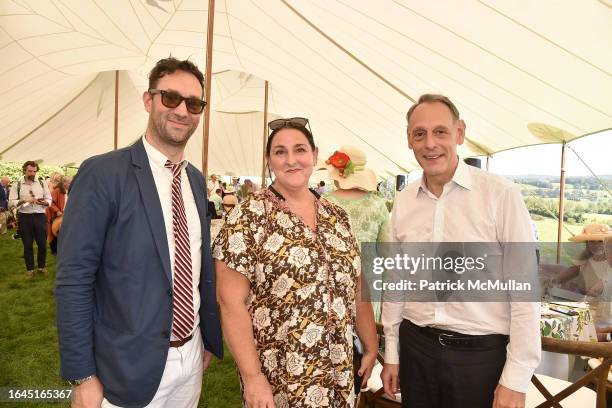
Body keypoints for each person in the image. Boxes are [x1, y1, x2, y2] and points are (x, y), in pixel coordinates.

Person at [55, 57, 223, 408]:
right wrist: (82, 375)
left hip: (190, 359)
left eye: (193, 103)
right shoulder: (103, 173)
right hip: (124, 369)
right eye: (170, 98)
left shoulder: (194, 178)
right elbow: (73, 278)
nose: (182, 110)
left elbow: (196, 267)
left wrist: (206, 339)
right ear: (149, 101)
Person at [381, 94, 541, 408]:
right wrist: (393, 353)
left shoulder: (500, 195)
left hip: (480, 360)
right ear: (409, 140)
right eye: (419, 134)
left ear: (460, 133)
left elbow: (524, 292)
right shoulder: (403, 201)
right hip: (417, 353)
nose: (430, 144)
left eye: (440, 131)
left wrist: (516, 378)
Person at [214, 117, 378, 407]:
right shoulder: (248, 216)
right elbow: (230, 302)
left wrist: (370, 342)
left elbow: (356, 282)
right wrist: (252, 378)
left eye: (300, 149)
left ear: (314, 156)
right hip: (280, 376)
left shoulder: (336, 216)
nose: (292, 160)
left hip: (337, 372)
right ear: (268, 160)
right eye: (280, 152)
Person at [323, 145, 391, 320]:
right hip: (370, 284)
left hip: (332, 283)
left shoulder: (324, 203)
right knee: (368, 339)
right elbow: (387, 253)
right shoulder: (378, 205)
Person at [8, 161, 52, 277]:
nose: (32, 173)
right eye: (30, 171)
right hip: (25, 217)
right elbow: (11, 203)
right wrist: (23, 200)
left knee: (42, 244)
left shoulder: (42, 183)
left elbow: (49, 198)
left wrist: (45, 202)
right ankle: (30, 269)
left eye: (34, 171)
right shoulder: (17, 184)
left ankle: (42, 267)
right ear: (24, 170)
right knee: (27, 244)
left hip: (40, 215)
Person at [47, 175, 68, 255]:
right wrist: (57, 210)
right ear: (64, 183)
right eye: (68, 182)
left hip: (65, 215)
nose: (70, 184)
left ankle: (62, 249)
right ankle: (54, 250)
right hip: (56, 215)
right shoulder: (57, 191)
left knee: (64, 233)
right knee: (55, 232)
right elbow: (50, 202)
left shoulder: (70, 190)